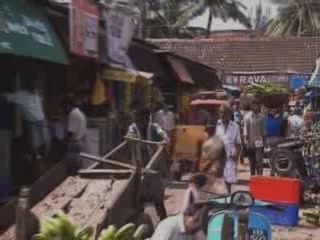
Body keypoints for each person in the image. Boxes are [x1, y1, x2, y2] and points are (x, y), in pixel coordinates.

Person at [126, 106, 169, 220]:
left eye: (140, 119)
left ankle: (163, 219)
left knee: (157, 198)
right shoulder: (133, 127)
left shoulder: (154, 127)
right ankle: (139, 221)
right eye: (136, 119)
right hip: (139, 167)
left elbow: (163, 134)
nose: (138, 122)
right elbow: (130, 135)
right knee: (139, 197)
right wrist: (130, 137)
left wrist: (164, 138)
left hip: (154, 167)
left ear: (146, 119)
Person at [2, 66, 49, 160]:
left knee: (43, 140)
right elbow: (7, 96)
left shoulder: (34, 93)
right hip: (34, 121)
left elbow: (7, 96)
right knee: (37, 141)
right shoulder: (23, 95)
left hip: (40, 120)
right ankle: (36, 156)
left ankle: (40, 156)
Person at [216, 105, 241, 194]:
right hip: (218, 155)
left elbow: (238, 143)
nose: (222, 115)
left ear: (229, 114)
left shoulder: (235, 126)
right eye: (220, 112)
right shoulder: (216, 125)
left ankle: (228, 195)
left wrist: (236, 156)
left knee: (229, 178)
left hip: (230, 155)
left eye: (224, 112)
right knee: (218, 177)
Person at [64, 94, 88, 175]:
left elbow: (71, 131)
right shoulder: (81, 113)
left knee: (72, 169)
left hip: (74, 143)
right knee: (78, 167)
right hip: (81, 142)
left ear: (68, 105)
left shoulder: (73, 113)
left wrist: (64, 142)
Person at [243, 100, 265, 176]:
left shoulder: (261, 117)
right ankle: (252, 177)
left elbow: (263, 131)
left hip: (259, 143)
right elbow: (245, 130)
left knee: (259, 162)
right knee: (252, 162)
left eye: (257, 105)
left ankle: (260, 178)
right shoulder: (247, 117)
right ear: (252, 106)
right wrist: (246, 142)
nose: (256, 107)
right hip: (250, 143)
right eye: (254, 105)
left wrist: (265, 143)